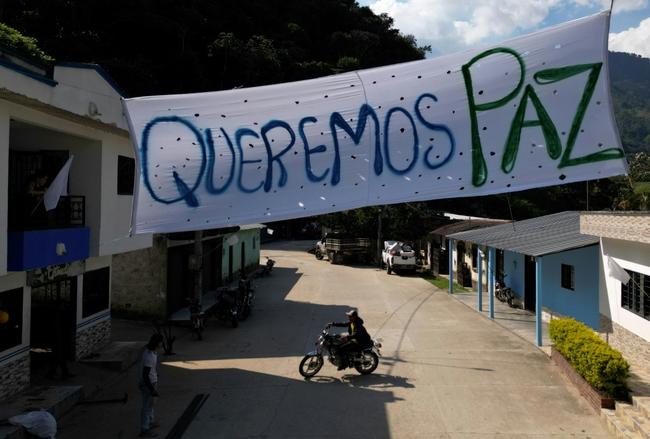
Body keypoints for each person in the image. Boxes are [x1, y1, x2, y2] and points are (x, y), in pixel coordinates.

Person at [139, 334, 163, 437]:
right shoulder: (149, 356)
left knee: (151, 404)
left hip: (152, 381)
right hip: (149, 384)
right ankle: (145, 428)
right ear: (157, 343)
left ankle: (151, 421)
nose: (162, 344)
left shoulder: (152, 352)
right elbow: (145, 374)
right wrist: (151, 389)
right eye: (161, 342)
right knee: (147, 407)